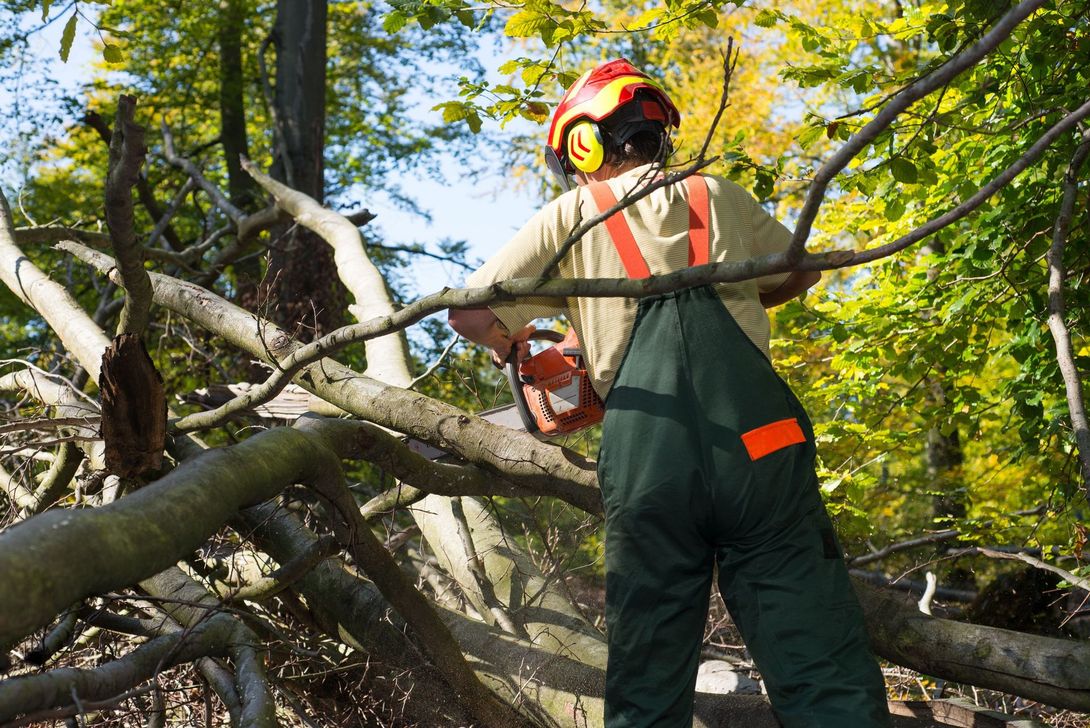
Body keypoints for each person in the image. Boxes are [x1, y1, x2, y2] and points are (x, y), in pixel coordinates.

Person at [448, 58, 890, 728]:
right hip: (759, 445)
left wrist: (531, 335)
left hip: (653, 457)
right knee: (818, 655)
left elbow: (470, 314)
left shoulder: (571, 214)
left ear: (584, 144)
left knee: (649, 668)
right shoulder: (721, 196)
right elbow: (800, 272)